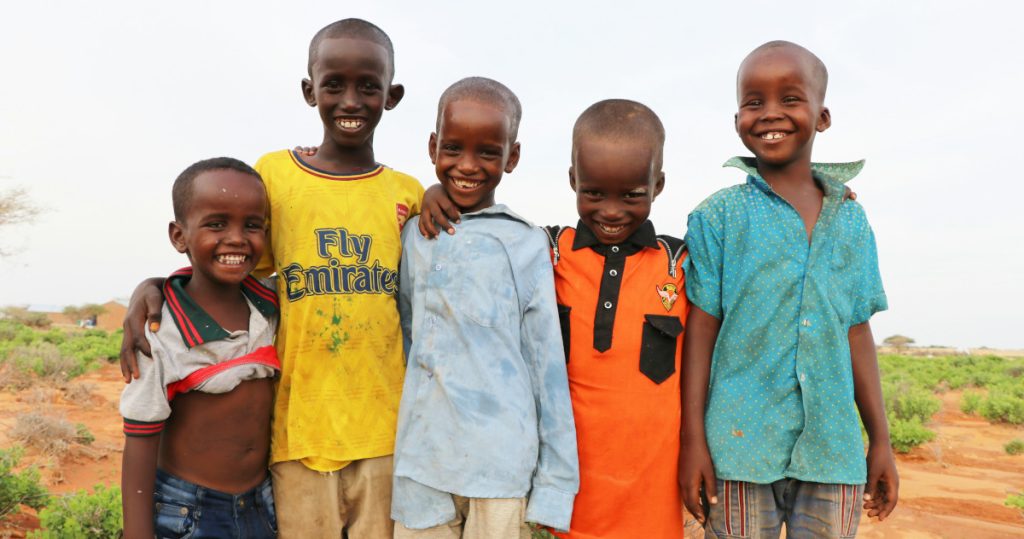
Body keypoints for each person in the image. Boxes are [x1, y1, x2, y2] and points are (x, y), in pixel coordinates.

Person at [120, 19, 424, 538]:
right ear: (310, 91)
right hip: (297, 436)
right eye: (334, 84)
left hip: (387, 433)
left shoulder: (409, 192)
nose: (350, 101)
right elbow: (228, 260)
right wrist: (153, 285)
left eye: (368, 86)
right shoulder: (276, 176)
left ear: (391, 95)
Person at [417, 99, 688, 538]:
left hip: (650, 495)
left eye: (632, 195)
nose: (611, 210)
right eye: (594, 193)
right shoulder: (546, 252)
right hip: (562, 490)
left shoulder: (680, 264)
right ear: (572, 181)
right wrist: (434, 195)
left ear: (657, 185)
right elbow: (480, 234)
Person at [680, 41, 898, 538]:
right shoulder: (719, 217)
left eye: (790, 99)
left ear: (822, 117)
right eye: (753, 102)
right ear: (737, 118)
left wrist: (880, 439)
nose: (770, 113)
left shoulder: (852, 220)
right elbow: (701, 333)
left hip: (833, 449)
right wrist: (693, 441)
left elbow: (857, 332)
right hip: (737, 448)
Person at [393, 77, 578, 538]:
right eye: (453, 148)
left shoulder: (525, 243)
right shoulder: (414, 234)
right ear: (433, 146)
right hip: (421, 458)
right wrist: (423, 199)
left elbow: (546, 366)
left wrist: (555, 485)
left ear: (512, 157)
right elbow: (405, 332)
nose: (467, 166)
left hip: (499, 465)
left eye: (488, 153)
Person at [120, 157, 279, 539]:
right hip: (187, 511)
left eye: (252, 225)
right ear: (179, 236)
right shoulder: (159, 331)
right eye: (216, 224)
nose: (237, 238)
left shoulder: (271, 305)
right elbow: (140, 440)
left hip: (265, 502)